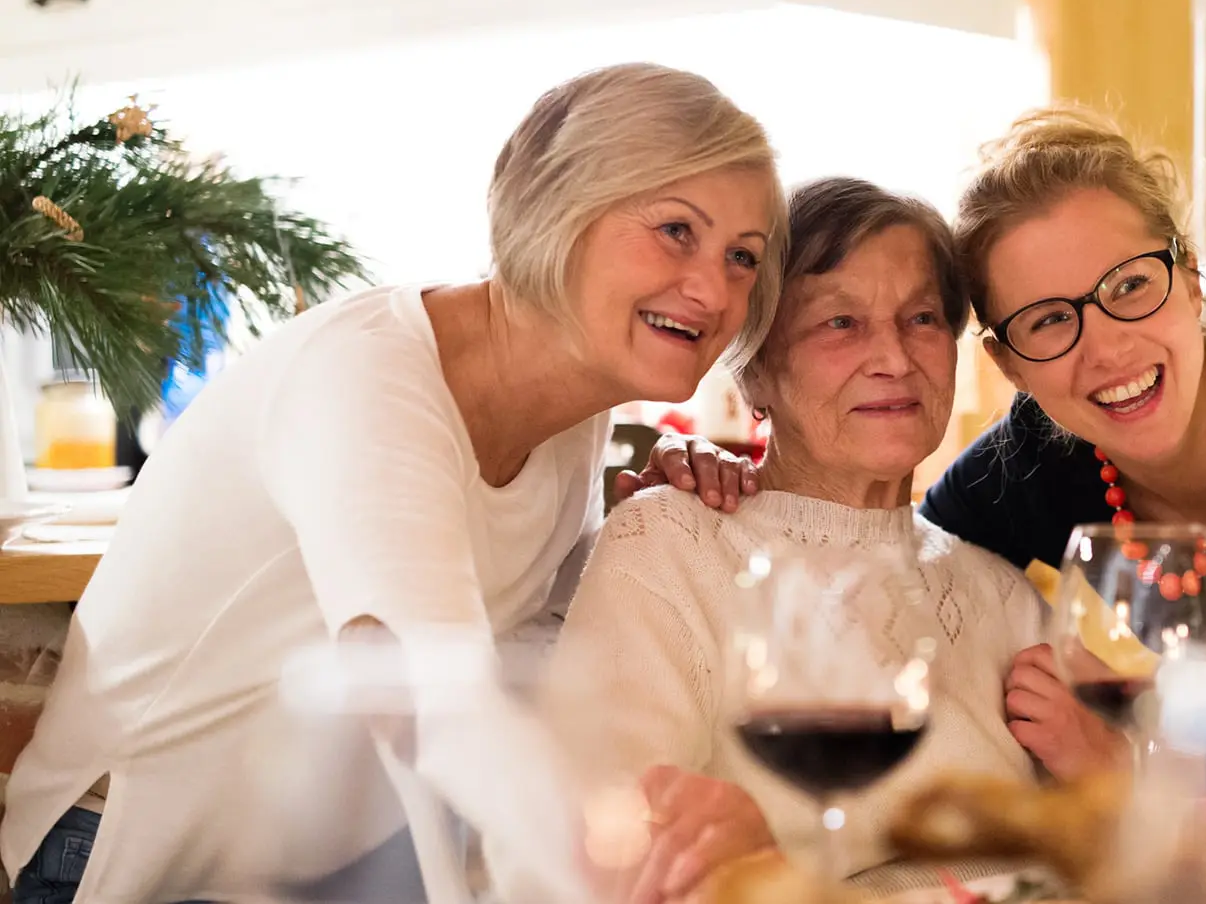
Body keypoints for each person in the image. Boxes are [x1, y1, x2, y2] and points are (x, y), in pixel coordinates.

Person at [2, 63, 787, 904]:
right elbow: (429, 698)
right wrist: (623, 867)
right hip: (125, 865)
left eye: (743, 256)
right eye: (676, 230)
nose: (715, 288)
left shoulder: (567, 402)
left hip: (326, 869)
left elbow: (510, 635)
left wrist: (644, 522)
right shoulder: (365, 381)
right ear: (559, 208)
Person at [642, 107, 1206, 774]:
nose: (1104, 346)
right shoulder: (1020, 478)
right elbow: (871, 528)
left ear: (1191, 279)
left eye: (1129, 286)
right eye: (1046, 320)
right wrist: (727, 481)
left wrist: (1130, 771)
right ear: (1008, 363)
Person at [549, 178, 1064, 900]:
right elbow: (603, 853)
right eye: (839, 323)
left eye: (921, 318)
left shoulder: (1000, 592)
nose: (893, 357)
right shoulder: (671, 542)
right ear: (754, 369)